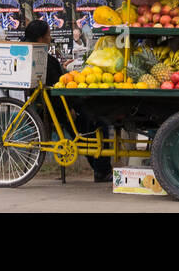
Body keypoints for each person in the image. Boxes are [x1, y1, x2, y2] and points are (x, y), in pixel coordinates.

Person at [24, 19, 113, 183]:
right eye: (48, 35)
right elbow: (52, 91)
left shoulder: (39, 57)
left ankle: (101, 170)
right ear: (40, 38)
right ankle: (102, 171)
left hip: (64, 104)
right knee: (98, 123)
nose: (50, 38)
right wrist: (68, 109)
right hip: (60, 108)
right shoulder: (43, 60)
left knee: (91, 124)